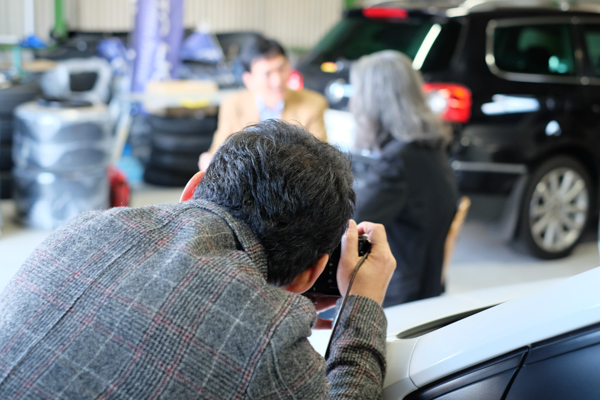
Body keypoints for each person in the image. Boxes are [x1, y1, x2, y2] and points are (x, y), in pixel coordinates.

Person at [0, 120, 396, 399]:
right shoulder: (271, 338)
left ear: (192, 188)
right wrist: (362, 303)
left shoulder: (83, 228)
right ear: (311, 272)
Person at [351, 50, 459, 307]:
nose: (353, 101)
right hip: (427, 285)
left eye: (358, 93)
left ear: (374, 101)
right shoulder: (428, 146)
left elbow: (349, 226)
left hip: (396, 297)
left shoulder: (398, 163)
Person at [198, 37, 328, 171]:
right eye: (267, 74)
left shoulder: (314, 104)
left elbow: (319, 159)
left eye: (282, 68)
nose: (277, 80)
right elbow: (219, 149)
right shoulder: (233, 104)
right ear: (249, 80)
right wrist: (210, 160)